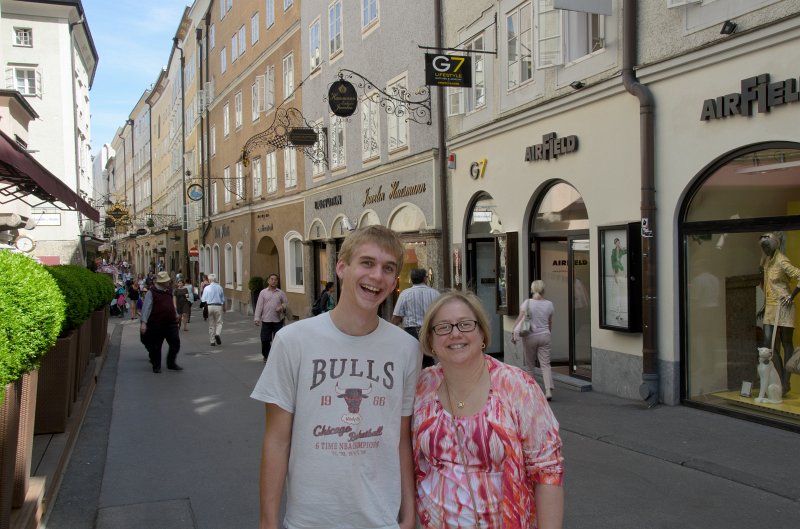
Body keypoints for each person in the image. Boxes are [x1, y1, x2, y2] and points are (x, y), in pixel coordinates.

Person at [251, 225, 420, 529]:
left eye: (387, 268)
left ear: (395, 281)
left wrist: (409, 515)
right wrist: (268, 522)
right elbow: (276, 440)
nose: (376, 276)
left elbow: (401, 438)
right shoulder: (293, 341)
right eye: (367, 263)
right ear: (342, 267)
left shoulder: (406, 348)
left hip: (381, 519)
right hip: (310, 520)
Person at [414, 290, 564, 529]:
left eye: (465, 324)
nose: (455, 333)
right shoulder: (422, 386)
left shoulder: (517, 386)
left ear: (482, 332)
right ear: (431, 340)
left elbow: (548, 472)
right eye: (443, 327)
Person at [759, 232, 800, 394]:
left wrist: (792, 296)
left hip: (784, 307)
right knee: (768, 345)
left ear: (774, 245)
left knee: (786, 343)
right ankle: (778, 378)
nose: (765, 249)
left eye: (767, 246)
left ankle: (785, 382)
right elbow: (768, 286)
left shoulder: (782, 260)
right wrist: (763, 306)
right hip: (770, 307)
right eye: (763, 246)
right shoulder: (767, 261)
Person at [512, 280, 556, 400]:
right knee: (545, 364)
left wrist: (514, 331)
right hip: (545, 336)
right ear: (543, 290)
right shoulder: (549, 304)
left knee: (530, 364)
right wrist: (548, 333)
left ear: (532, 290)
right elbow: (550, 322)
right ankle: (548, 390)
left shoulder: (528, 303)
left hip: (530, 336)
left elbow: (520, 319)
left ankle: (532, 390)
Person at [392, 268, 441, 368]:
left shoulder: (405, 294)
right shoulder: (435, 293)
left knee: (413, 359)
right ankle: (429, 379)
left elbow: (397, 317)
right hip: (429, 331)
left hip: (411, 332)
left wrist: (389, 330)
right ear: (425, 279)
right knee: (428, 358)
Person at [139, 271, 183, 373]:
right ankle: (156, 366)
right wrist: (144, 323)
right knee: (156, 346)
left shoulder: (169, 291)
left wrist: (176, 314)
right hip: (156, 323)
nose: (169, 282)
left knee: (175, 342)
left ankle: (171, 363)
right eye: (167, 281)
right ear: (162, 282)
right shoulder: (152, 292)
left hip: (171, 322)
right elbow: (146, 308)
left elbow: (171, 304)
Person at [253, 273, 289, 362]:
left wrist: (281, 307)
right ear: (268, 281)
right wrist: (257, 318)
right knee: (265, 339)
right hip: (266, 320)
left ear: (277, 282)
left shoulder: (281, 293)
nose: (274, 281)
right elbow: (259, 306)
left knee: (278, 340)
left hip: (278, 321)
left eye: (275, 279)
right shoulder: (263, 292)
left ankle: (277, 356)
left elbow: (286, 304)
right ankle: (266, 356)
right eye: (272, 279)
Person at [200, 274, 225, 346]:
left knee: (211, 324)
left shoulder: (207, 288)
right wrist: (224, 307)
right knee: (219, 322)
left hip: (209, 306)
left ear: (209, 280)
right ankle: (217, 334)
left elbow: (203, 299)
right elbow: (222, 299)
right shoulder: (219, 287)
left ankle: (212, 341)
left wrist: (204, 307)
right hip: (218, 306)